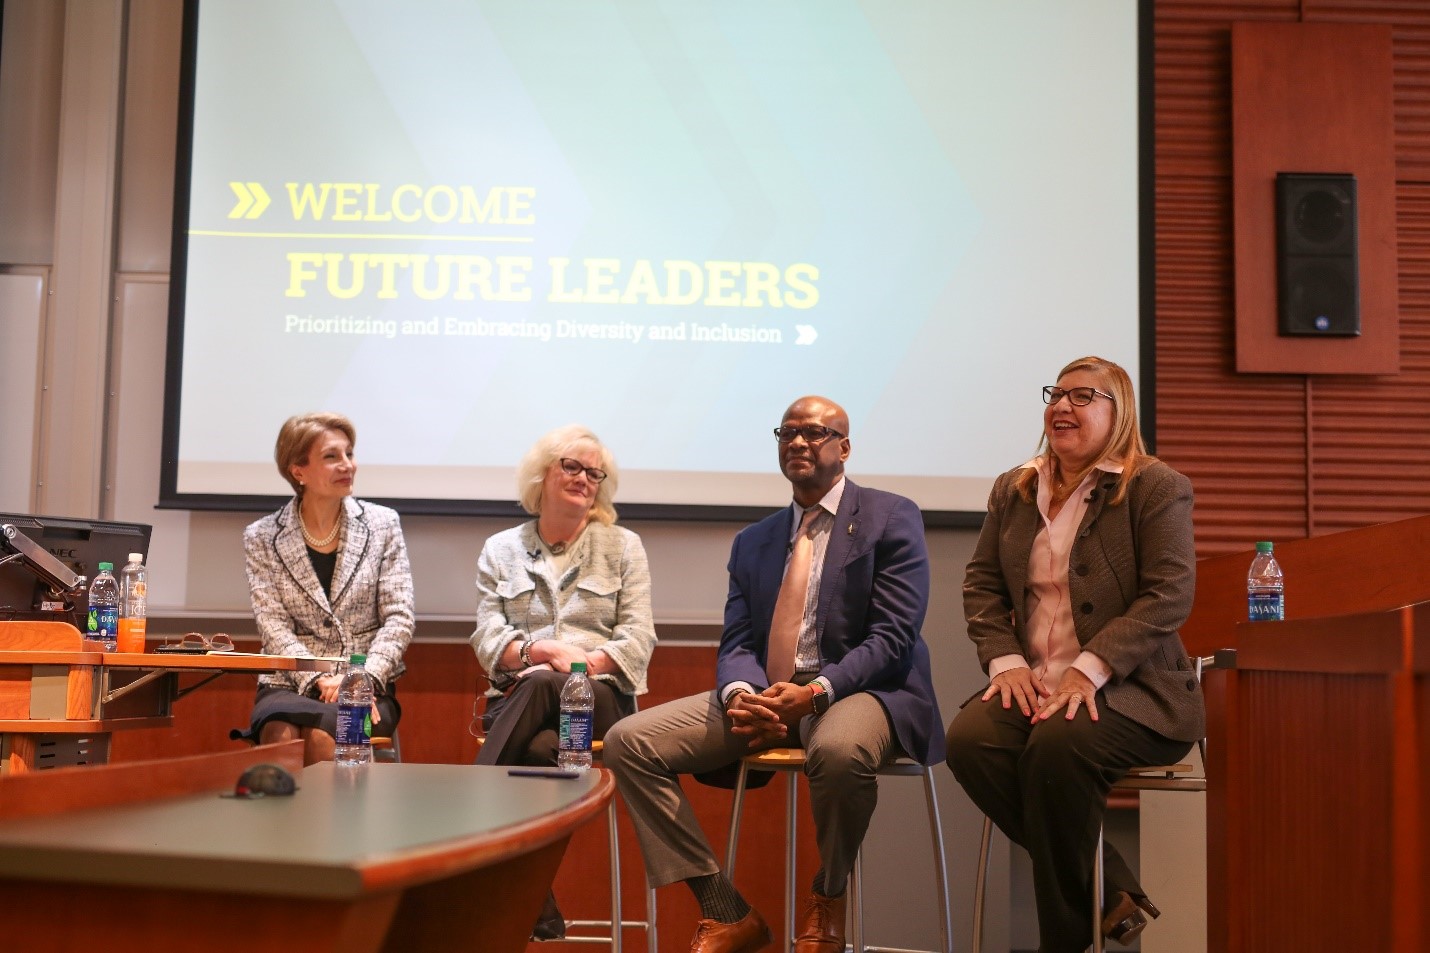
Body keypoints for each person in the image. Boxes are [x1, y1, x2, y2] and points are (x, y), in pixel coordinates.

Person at [604, 396, 942, 953]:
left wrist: (814, 693)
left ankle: (828, 894)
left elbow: (893, 637)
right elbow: (737, 641)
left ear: (845, 447)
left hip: (859, 689)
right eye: (788, 432)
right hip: (768, 696)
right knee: (629, 743)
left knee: (836, 750)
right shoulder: (754, 540)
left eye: (815, 432)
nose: (799, 442)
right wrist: (740, 693)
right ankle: (725, 909)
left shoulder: (889, 515)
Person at [945, 356, 1205, 952]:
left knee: (1057, 748)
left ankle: (1064, 942)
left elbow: (1169, 596)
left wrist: (1088, 671)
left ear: (1119, 414)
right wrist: (1004, 662)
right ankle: (1110, 888)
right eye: (1056, 395)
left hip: (1136, 691)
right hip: (1034, 681)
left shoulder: (1155, 486)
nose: (1062, 406)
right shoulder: (1014, 487)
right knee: (970, 741)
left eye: (1083, 396)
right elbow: (981, 584)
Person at [471, 424, 656, 940]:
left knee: (542, 685)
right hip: (521, 708)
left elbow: (638, 639)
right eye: (571, 467)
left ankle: (466, 829)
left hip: (600, 701)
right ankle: (535, 904)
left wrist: (569, 664)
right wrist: (539, 650)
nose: (584, 479)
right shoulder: (501, 549)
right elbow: (487, 638)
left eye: (593, 472)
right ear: (542, 475)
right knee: (539, 751)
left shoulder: (622, 547)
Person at [236, 412, 415, 765]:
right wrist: (318, 676)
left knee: (322, 734)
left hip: (365, 683)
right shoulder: (262, 536)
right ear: (297, 471)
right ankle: (276, 822)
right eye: (332, 456)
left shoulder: (383, 525)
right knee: (280, 734)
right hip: (287, 681)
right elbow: (273, 626)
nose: (347, 465)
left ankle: (338, 821)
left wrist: (357, 677)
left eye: (349, 454)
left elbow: (400, 618)